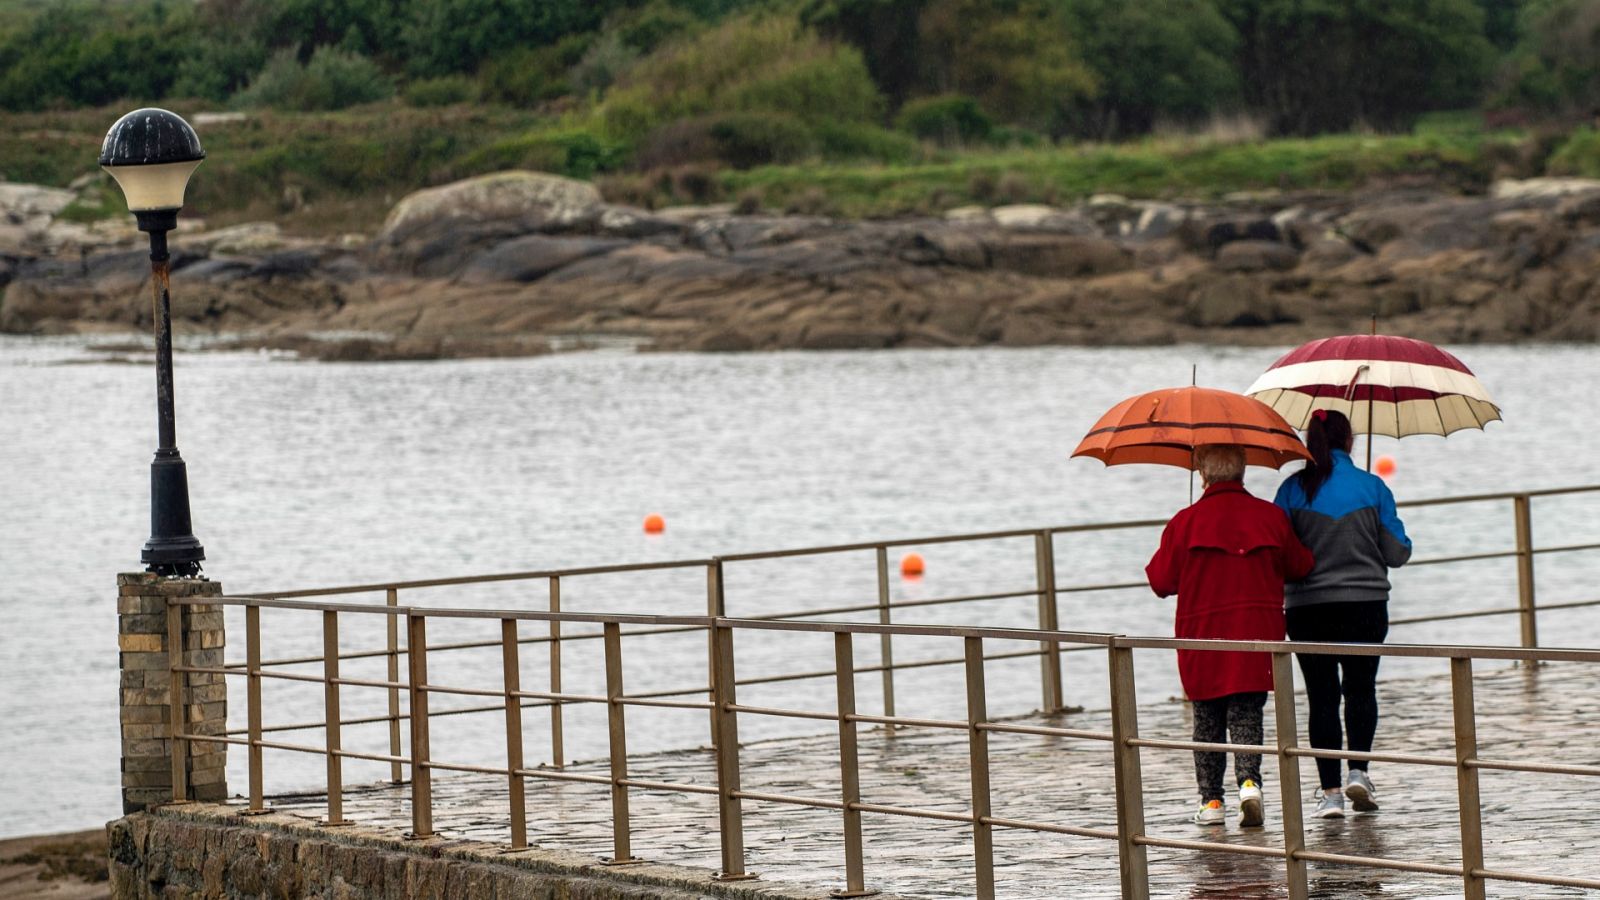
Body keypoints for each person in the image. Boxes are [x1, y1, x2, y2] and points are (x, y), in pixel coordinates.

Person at [1147, 444, 1314, 828]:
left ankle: (1212, 803)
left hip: (1202, 636)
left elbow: (1160, 581)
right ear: (1242, 473)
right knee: (1246, 713)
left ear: (1203, 475)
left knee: (1206, 718)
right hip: (1256, 634)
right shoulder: (1269, 517)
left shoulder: (1186, 521)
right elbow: (1300, 565)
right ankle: (1250, 784)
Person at [1274, 409, 1412, 820]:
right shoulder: (1372, 487)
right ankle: (1359, 771)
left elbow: (1280, 552)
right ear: (1349, 441)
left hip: (1307, 608)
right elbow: (1397, 553)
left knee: (1321, 697)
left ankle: (1331, 793)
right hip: (1365, 605)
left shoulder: (1292, 489)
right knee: (1360, 688)